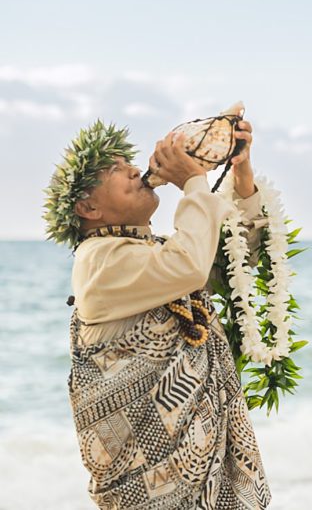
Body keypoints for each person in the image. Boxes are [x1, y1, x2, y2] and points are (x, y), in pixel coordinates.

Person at [43, 119, 271, 509]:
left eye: (129, 163)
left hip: (205, 478)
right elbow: (191, 266)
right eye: (116, 170)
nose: (134, 170)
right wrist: (193, 183)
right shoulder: (99, 262)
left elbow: (238, 260)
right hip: (152, 487)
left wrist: (241, 173)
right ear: (88, 207)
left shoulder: (155, 252)